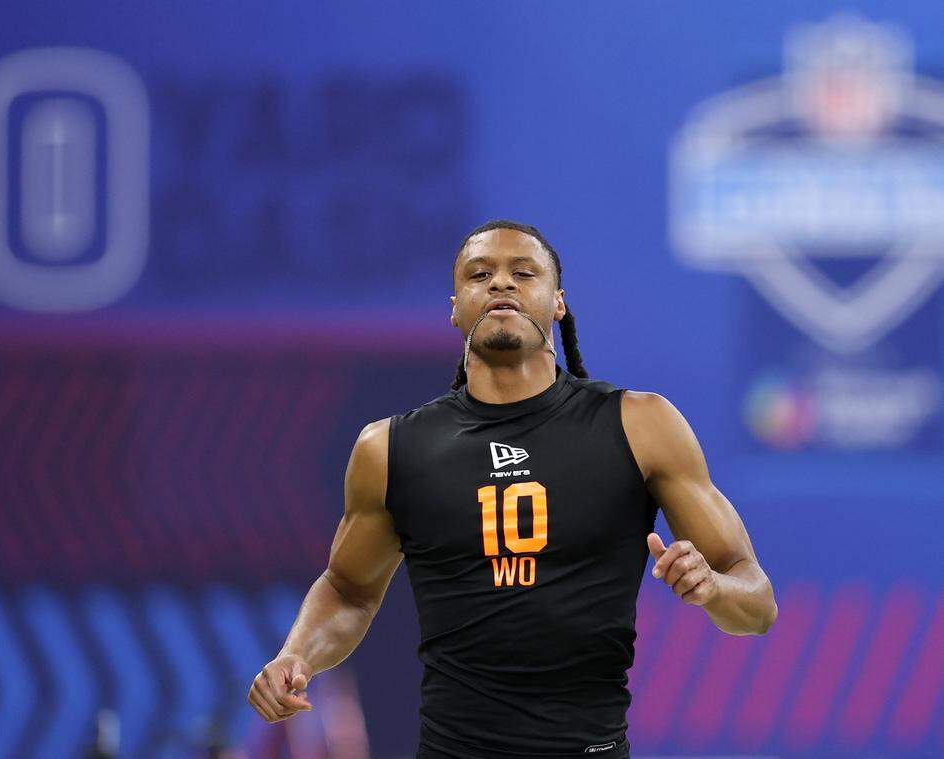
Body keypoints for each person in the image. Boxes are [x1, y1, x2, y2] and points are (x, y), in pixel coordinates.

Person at [248, 219, 777, 758]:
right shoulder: (390, 448)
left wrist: (713, 588)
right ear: (455, 308)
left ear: (558, 302)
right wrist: (298, 655)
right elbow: (348, 589)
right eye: (481, 274)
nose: (502, 284)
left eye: (523, 272)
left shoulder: (641, 426)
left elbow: (756, 602)